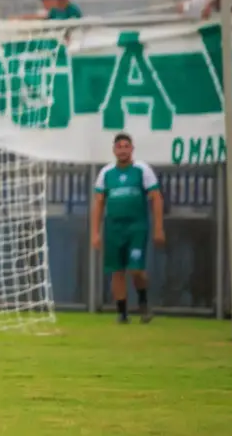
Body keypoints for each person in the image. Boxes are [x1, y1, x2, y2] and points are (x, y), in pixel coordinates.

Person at [90, 133, 165, 324]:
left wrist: (158, 228)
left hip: (136, 227)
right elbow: (99, 203)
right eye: (119, 147)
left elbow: (156, 197)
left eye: (126, 146)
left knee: (136, 269)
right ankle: (122, 313)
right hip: (113, 228)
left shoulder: (142, 169)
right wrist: (95, 233)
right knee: (117, 271)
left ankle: (143, 303)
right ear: (114, 150)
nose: (123, 150)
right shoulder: (106, 173)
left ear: (132, 149)